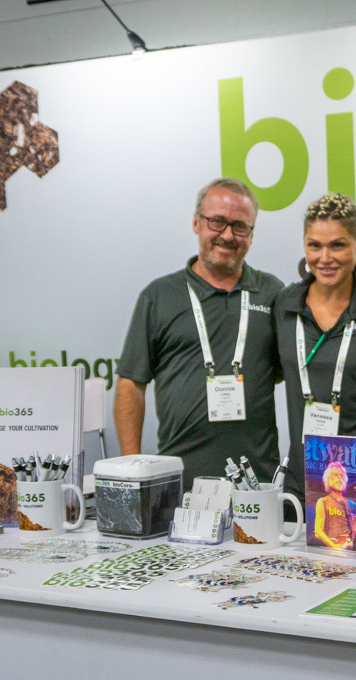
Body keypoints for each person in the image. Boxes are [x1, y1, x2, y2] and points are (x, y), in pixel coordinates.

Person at [115, 178, 284, 488]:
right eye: (216, 222)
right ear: (196, 223)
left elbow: (282, 371)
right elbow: (131, 384)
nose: (227, 235)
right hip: (180, 483)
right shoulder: (159, 296)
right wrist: (131, 472)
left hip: (258, 483)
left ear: (251, 233)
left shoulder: (272, 293)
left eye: (240, 226)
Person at [274, 192, 356, 519]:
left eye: (338, 245)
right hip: (303, 488)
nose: (325, 258)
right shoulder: (284, 304)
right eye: (315, 246)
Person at [313, 460, 356, 549]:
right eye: (335, 475)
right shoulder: (323, 502)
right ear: (328, 479)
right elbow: (318, 531)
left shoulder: (353, 505)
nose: (339, 478)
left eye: (341, 475)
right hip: (331, 550)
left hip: (350, 550)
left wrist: (352, 544)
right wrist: (333, 546)